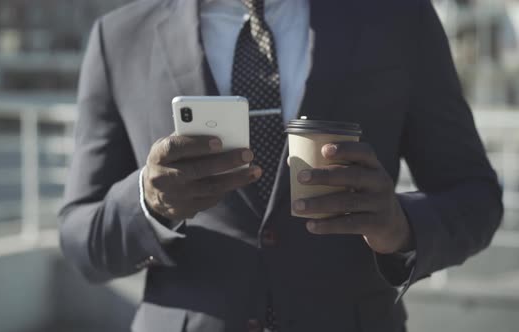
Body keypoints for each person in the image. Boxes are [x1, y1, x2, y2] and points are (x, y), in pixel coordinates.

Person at [59, 0, 503, 331]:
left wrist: (401, 228)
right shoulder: (119, 39)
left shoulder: (398, 17)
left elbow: (475, 196)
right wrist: (147, 203)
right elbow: (81, 242)